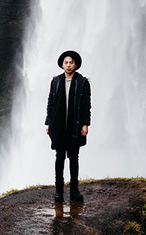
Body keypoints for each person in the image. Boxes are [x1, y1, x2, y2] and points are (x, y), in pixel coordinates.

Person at [45, 50, 91, 203]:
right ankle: (58, 191)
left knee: (74, 158)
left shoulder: (83, 82)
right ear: (62, 65)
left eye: (71, 62)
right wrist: (48, 122)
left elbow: (86, 105)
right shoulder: (56, 81)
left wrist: (85, 124)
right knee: (59, 158)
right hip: (58, 126)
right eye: (66, 62)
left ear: (76, 64)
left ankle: (74, 190)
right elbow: (50, 103)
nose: (69, 65)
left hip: (75, 126)